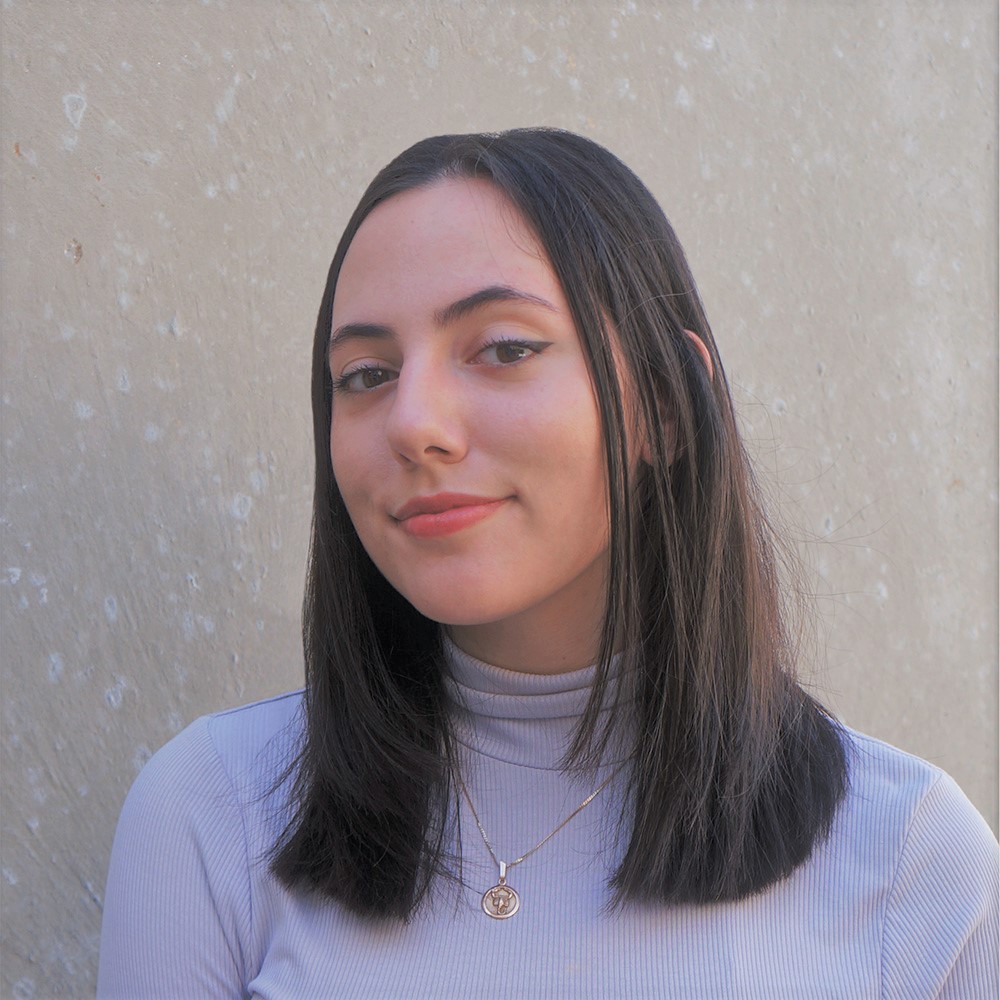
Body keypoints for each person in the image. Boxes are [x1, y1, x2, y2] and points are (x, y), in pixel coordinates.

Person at [97, 128, 998, 999]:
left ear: (669, 407)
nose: (414, 423)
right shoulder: (214, 814)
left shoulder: (914, 861)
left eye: (504, 349)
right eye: (367, 374)